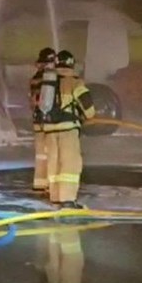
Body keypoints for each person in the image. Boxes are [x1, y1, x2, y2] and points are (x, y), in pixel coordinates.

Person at [39, 50, 96, 208]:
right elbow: (89, 110)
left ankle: (55, 197)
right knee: (69, 165)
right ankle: (68, 200)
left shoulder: (48, 82)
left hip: (49, 130)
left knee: (54, 164)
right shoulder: (75, 83)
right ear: (72, 64)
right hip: (67, 130)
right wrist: (88, 117)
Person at [30, 46, 57, 195]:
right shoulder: (52, 78)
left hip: (38, 121)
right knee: (53, 153)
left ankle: (39, 184)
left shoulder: (35, 77)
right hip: (51, 122)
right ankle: (52, 186)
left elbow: (33, 100)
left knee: (41, 155)